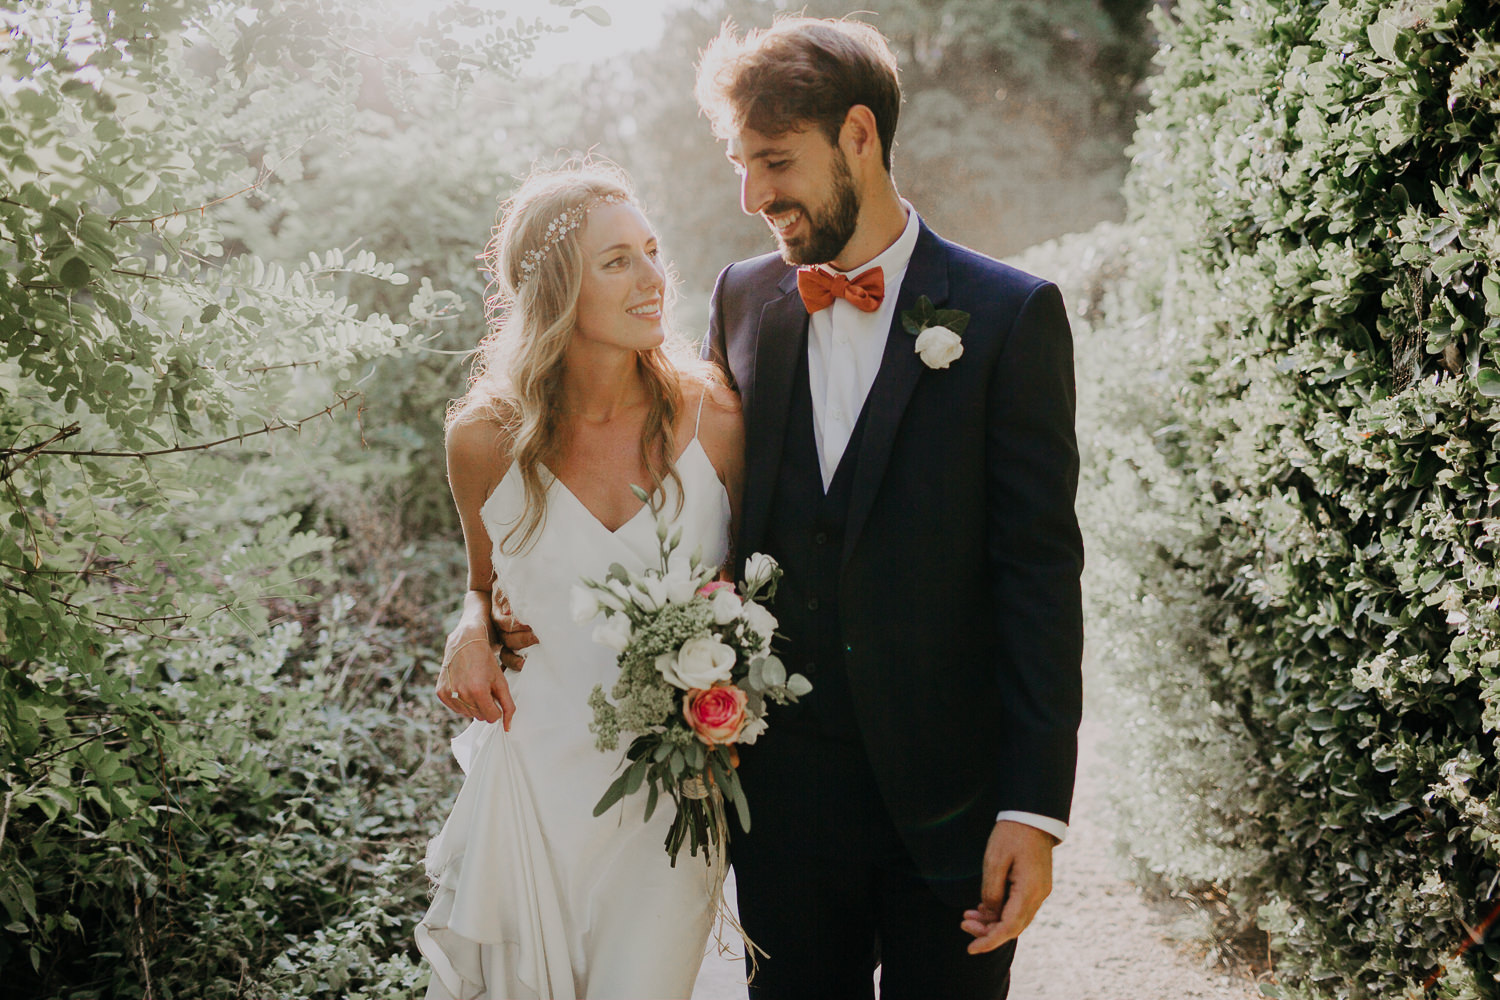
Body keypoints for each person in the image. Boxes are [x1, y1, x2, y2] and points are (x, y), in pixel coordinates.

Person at [688, 16, 1085, 999]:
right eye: (741, 164)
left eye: (775, 161)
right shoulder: (741, 299)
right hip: (781, 814)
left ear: (859, 135)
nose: (754, 197)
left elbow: (1039, 574)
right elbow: (696, 510)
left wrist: (1034, 811)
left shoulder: (1009, 316)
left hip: (950, 812)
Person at [417, 162, 745, 1000]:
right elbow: (484, 583)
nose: (652, 279)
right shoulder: (483, 440)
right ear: (557, 287)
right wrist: (468, 627)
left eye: (652, 251)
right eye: (617, 261)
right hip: (538, 782)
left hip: (673, 796)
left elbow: (751, 588)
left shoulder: (714, 417)